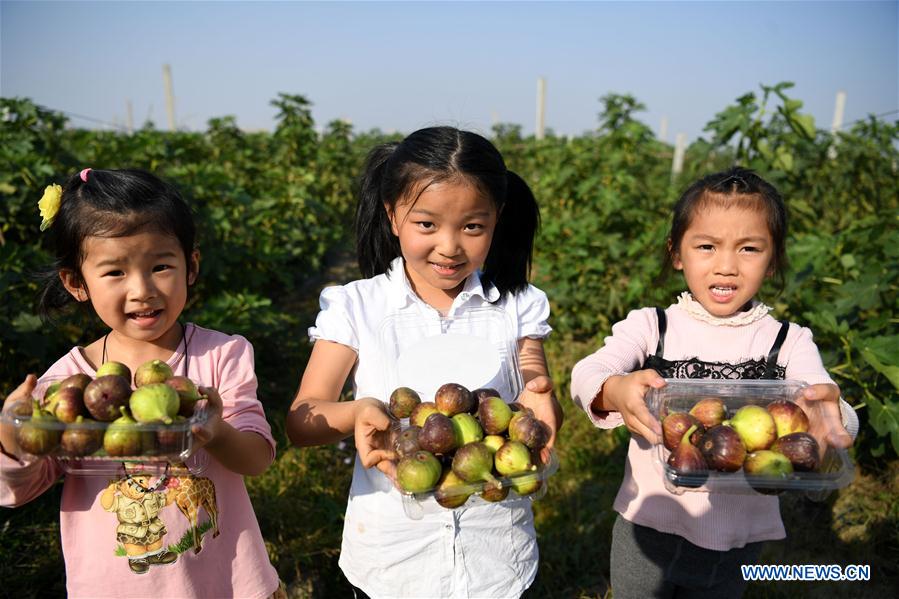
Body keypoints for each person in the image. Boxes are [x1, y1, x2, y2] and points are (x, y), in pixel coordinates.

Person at [286, 126, 563, 598]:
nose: (450, 246)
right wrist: (357, 412)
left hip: (496, 557)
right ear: (394, 216)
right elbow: (301, 419)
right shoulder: (358, 307)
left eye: (473, 227)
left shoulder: (515, 305)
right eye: (427, 225)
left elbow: (532, 375)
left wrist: (540, 392)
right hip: (392, 561)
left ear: (496, 220)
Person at [570, 166, 858, 599]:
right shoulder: (652, 327)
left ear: (774, 256)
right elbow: (587, 372)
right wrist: (615, 389)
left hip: (738, 540)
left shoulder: (788, 343)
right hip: (647, 527)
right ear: (677, 253)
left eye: (749, 249)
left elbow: (829, 405)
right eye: (706, 246)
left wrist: (831, 423)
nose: (726, 266)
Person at [0, 168, 283, 598]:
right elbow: (17, 490)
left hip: (227, 585)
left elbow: (257, 457)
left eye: (161, 266)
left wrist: (215, 431)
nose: (142, 290)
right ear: (77, 283)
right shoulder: (66, 386)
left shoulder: (221, 356)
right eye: (115, 272)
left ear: (191, 266)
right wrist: (12, 435)